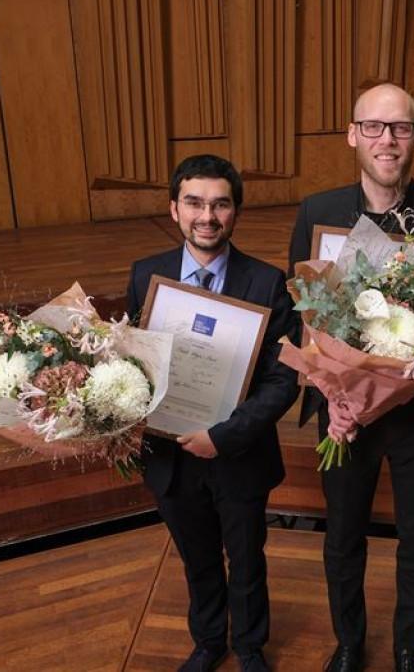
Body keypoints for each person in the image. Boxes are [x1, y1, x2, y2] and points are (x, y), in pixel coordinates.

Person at [287, 83, 414, 672]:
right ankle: (349, 643)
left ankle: (406, 648)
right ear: (353, 135)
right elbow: (306, 316)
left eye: (399, 128)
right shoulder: (316, 212)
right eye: (373, 126)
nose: (387, 140)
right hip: (344, 415)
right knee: (343, 535)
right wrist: (334, 396)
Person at [127, 155, 299, 672]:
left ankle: (249, 646)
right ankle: (208, 642)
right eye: (195, 203)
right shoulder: (145, 275)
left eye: (220, 204)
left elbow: (282, 381)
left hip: (237, 453)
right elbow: (131, 362)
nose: (207, 216)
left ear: (236, 212)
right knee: (197, 558)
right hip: (170, 454)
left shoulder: (267, 282)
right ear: (174, 209)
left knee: (246, 560)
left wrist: (222, 436)